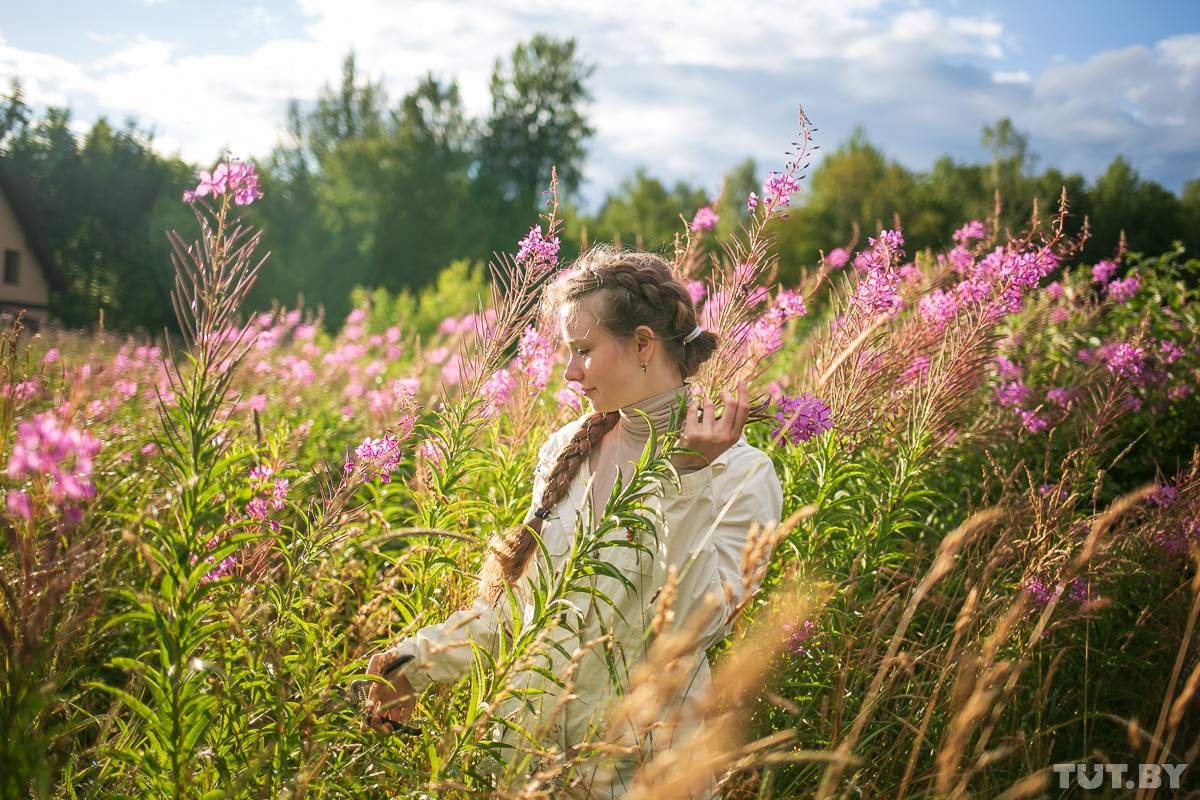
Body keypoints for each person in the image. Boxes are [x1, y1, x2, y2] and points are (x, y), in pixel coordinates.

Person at [364, 246, 783, 797]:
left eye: (584, 350)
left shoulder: (741, 474)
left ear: (641, 344)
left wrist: (687, 478)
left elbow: (688, 630)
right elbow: (520, 616)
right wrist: (411, 663)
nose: (569, 372)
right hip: (524, 767)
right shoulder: (568, 447)